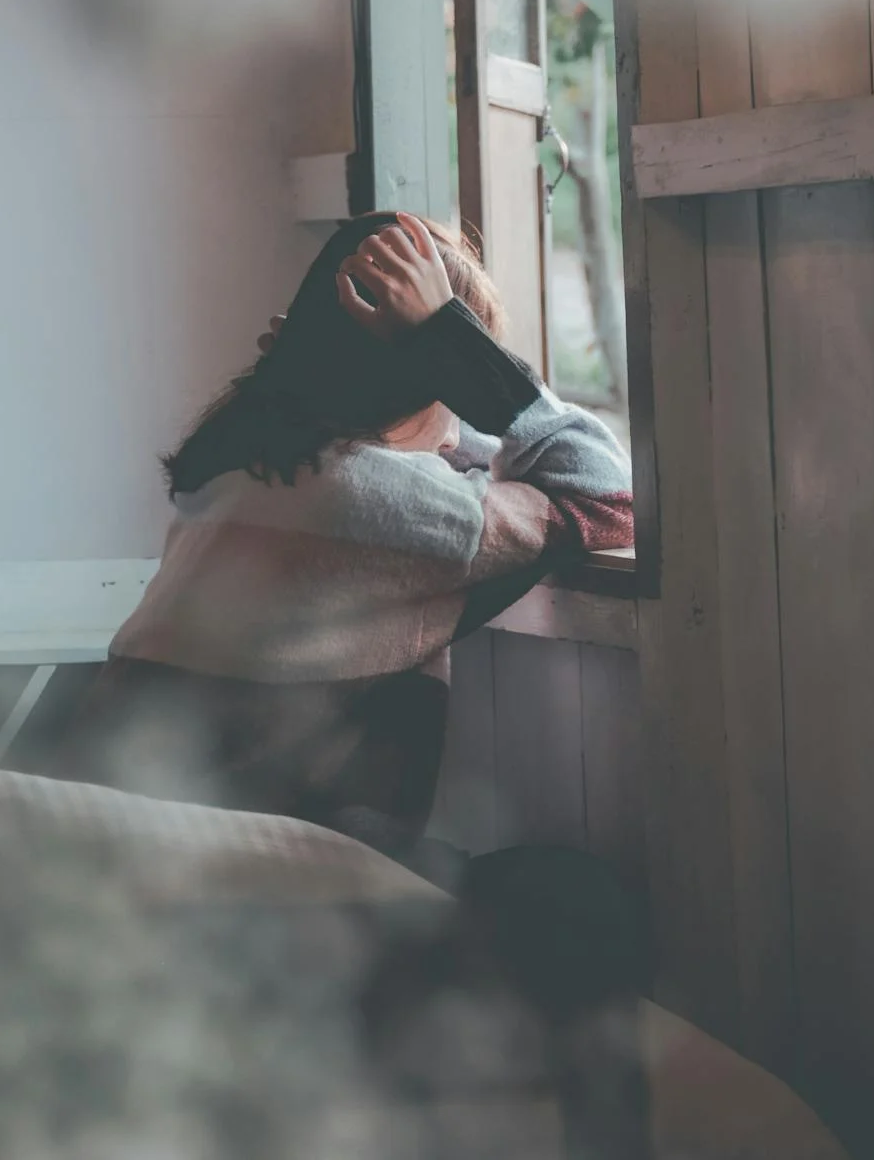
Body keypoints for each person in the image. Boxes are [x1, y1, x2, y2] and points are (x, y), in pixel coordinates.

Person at [48, 212, 632, 858]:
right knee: (578, 908)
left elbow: (418, 457)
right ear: (435, 378)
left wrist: (391, 383)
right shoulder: (386, 504)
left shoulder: (242, 462)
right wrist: (457, 347)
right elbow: (607, 493)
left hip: (85, 830)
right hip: (228, 872)